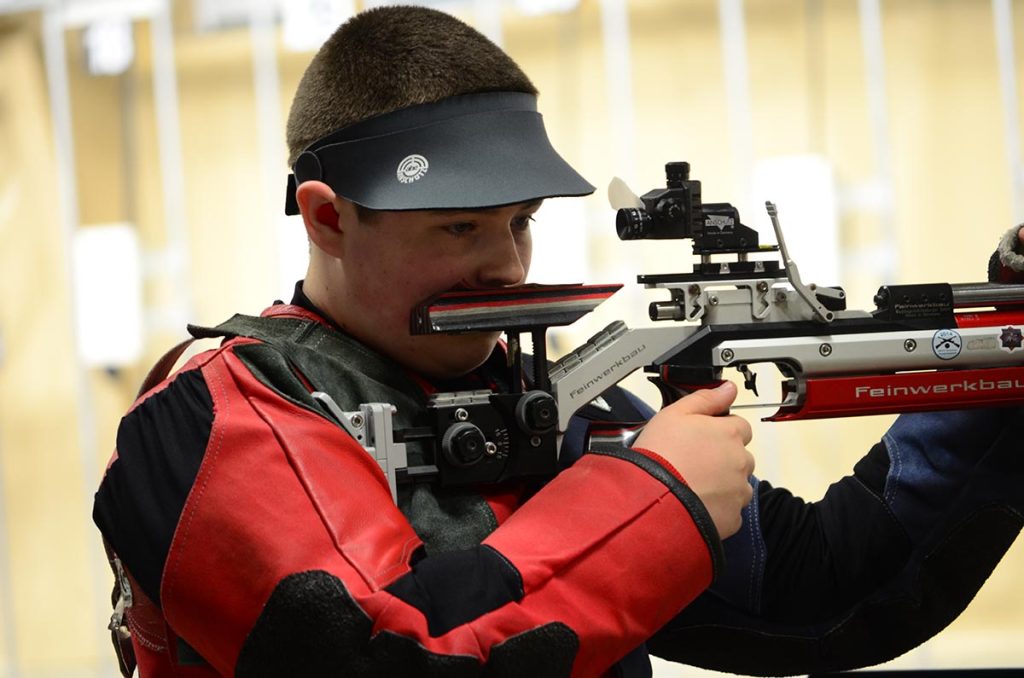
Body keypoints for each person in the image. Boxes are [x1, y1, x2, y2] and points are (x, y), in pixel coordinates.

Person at [93, 6, 1024, 677]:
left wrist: (998, 361)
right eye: (458, 229)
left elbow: (829, 593)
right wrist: (654, 505)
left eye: (522, 222)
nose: (505, 265)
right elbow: (381, 654)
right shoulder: (216, 416)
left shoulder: (549, 404)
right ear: (328, 218)